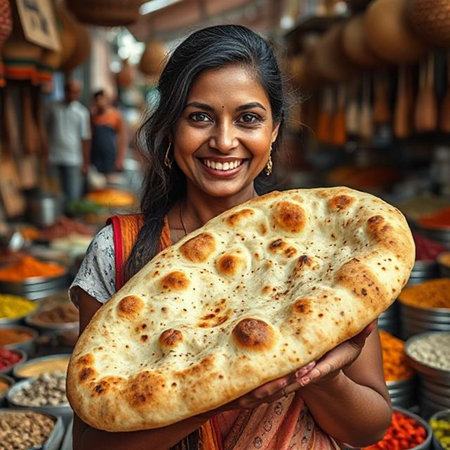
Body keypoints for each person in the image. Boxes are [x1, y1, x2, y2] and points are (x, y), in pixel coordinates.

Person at [70, 25, 392, 450]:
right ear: (171, 127)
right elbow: (89, 442)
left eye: (248, 118)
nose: (224, 141)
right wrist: (210, 394)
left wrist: (318, 375)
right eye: (199, 116)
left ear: (274, 129)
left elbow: (370, 428)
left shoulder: (324, 245)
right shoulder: (117, 250)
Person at [45, 79, 91, 208]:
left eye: (75, 92)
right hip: (54, 158)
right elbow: (46, 132)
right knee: (54, 194)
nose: (72, 95)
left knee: (72, 197)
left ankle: (72, 224)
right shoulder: (53, 108)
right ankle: (58, 222)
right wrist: (45, 154)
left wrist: (85, 163)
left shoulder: (82, 112)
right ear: (64, 91)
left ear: (79, 94)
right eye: (69, 91)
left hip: (73, 159)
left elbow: (85, 139)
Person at [90, 89, 126, 176]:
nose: (100, 102)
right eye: (97, 100)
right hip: (95, 156)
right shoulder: (92, 116)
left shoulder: (115, 116)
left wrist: (119, 159)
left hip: (110, 156)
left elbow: (122, 139)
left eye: (102, 99)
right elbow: (89, 137)